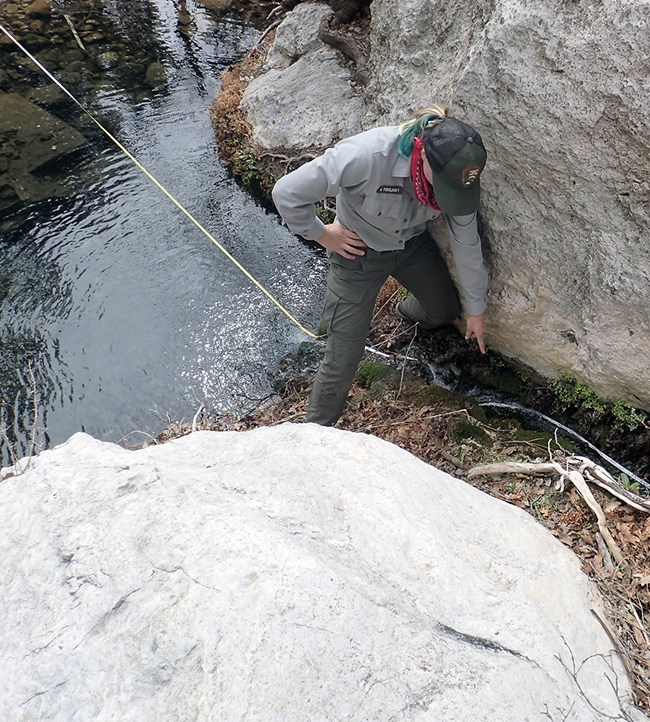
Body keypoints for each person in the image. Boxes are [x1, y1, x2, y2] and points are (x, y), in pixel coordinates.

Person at [272, 105, 489, 426]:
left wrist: (477, 310)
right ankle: (314, 433)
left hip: (410, 246)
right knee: (342, 358)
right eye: (443, 188)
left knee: (444, 311)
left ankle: (402, 311)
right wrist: (323, 235)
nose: (446, 198)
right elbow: (287, 192)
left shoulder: (458, 178)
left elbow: (467, 243)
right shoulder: (367, 155)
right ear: (425, 156)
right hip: (356, 253)